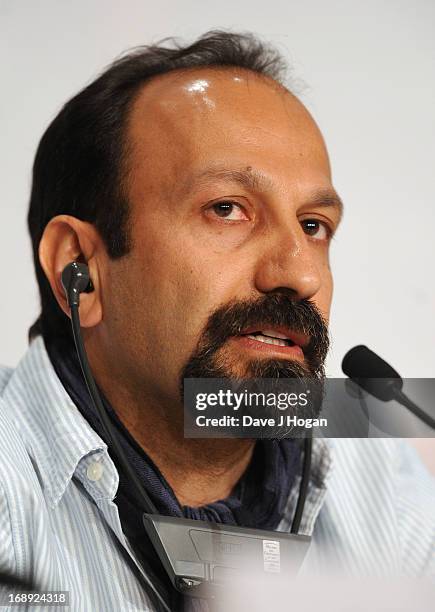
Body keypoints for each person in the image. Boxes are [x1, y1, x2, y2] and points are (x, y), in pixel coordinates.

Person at [0, 31, 433, 612]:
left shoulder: (386, 479)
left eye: (313, 226)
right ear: (82, 269)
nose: (299, 274)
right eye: (227, 209)